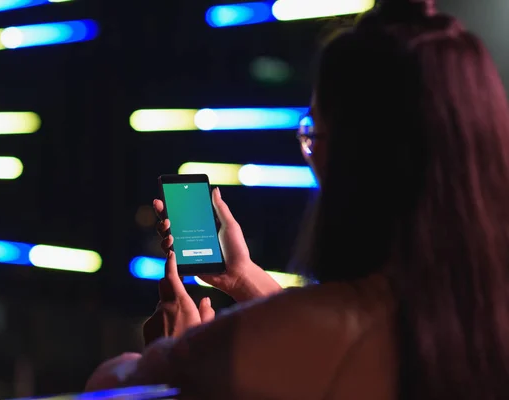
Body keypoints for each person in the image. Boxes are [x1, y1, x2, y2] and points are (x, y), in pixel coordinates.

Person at [86, 0, 509, 398]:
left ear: (351, 159)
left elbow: (109, 384)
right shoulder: (480, 317)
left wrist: (176, 352)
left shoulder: (275, 342)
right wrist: (244, 277)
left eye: (313, 135)